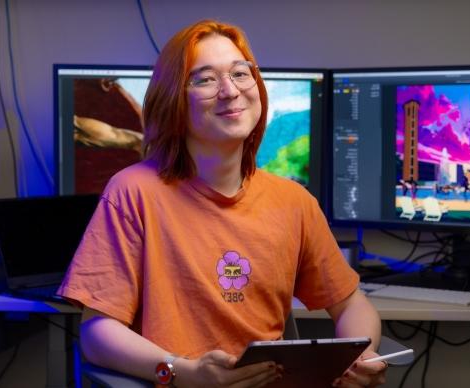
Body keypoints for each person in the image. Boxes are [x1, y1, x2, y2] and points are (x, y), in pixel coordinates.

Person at [58, 19, 387, 387]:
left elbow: (352, 304)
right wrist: (183, 371)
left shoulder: (294, 202)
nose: (230, 91)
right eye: (205, 79)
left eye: (240, 73)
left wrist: (360, 357)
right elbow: (96, 332)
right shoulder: (132, 192)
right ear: (174, 100)